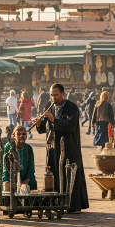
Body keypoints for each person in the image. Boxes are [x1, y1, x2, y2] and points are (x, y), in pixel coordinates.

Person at [34, 83, 89, 213]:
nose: (54, 98)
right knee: (55, 174)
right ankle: (57, 204)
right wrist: (39, 124)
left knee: (69, 174)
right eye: (52, 95)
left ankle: (73, 206)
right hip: (54, 148)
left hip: (69, 147)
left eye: (56, 95)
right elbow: (45, 128)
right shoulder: (49, 106)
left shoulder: (72, 107)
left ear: (63, 94)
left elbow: (70, 126)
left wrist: (54, 120)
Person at [0, 125, 37, 191]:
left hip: (24, 177)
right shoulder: (9, 147)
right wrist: (13, 183)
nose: (21, 136)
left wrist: (25, 182)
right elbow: (5, 168)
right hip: (9, 177)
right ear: (13, 135)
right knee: (6, 186)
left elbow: (31, 169)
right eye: (18, 134)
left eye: (23, 134)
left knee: (33, 183)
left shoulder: (29, 148)